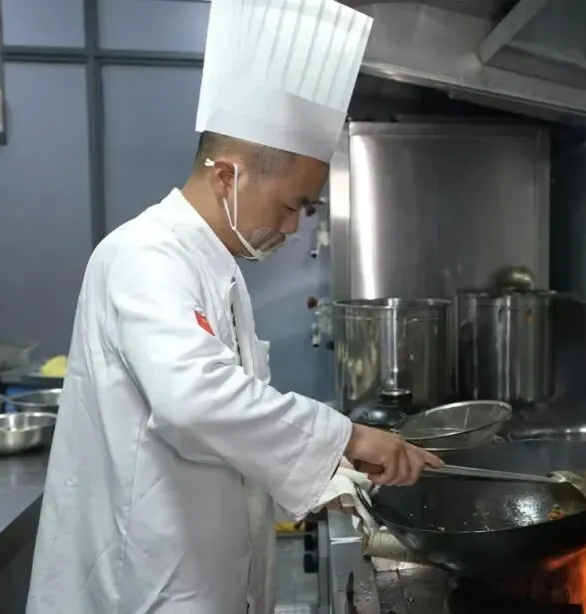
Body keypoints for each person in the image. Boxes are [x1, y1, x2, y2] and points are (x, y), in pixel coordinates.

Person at [25, 1, 442, 612]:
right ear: (227, 176)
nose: (294, 228)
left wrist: (328, 473)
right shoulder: (145, 255)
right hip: (144, 580)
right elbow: (194, 398)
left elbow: (226, 428)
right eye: (292, 205)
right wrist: (348, 436)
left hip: (201, 567)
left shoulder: (216, 267)